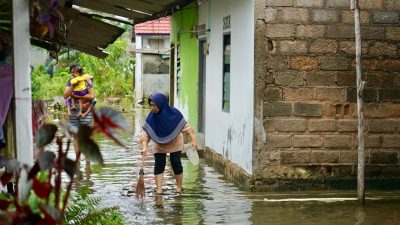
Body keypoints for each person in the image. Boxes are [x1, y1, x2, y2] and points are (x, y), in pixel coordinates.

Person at [140, 93, 197, 194]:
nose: (152, 108)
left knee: (176, 163)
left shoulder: (174, 114)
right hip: (159, 143)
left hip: (175, 141)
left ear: (161, 104)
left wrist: (193, 141)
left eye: (154, 105)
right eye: (151, 105)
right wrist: (144, 147)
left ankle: (179, 187)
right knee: (159, 164)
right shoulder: (151, 117)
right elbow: (145, 134)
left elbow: (186, 127)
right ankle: (159, 189)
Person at [63, 64, 95, 160]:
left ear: (80, 72)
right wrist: (73, 86)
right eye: (72, 72)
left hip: (86, 111)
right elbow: (65, 96)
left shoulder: (87, 79)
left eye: (75, 72)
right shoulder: (70, 81)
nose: (73, 74)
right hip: (73, 112)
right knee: (75, 136)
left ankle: (88, 160)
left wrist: (78, 97)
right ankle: (78, 160)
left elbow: (91, 96)